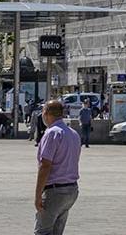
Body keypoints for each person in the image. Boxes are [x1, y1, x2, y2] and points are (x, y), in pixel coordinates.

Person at [34, 99, 81, 235]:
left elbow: (45, 165)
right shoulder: (73, 133)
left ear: (47, 113)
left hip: (55, 191)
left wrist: (38, 195)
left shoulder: (52, 133)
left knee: (43, 232)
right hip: (71, 189)